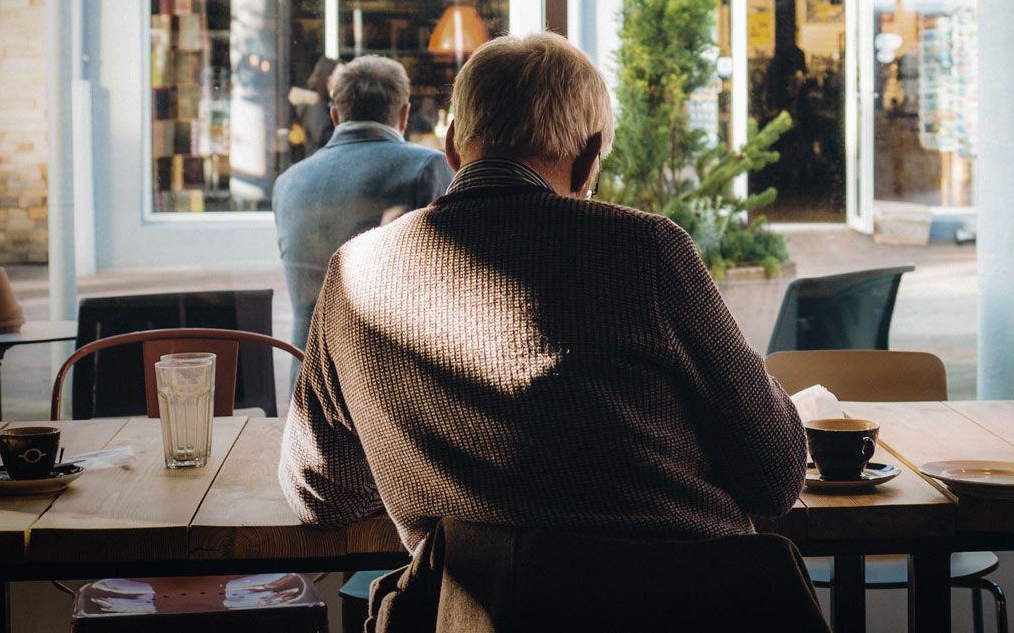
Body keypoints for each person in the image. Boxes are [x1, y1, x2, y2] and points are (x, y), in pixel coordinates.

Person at [279, 32, 806, 551]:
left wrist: (428, 462)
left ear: (452, 146)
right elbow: (775, 475)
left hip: (478, 613)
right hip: (688, 605)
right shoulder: (647, 251)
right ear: (588, 157)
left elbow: (320, 494)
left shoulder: (354, 272)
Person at [272, 55, 452, 355]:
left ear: (335, 116)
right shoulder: (426, 168)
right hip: (389, 380)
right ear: (405, 115)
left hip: (306, 381)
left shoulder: (288, 182)